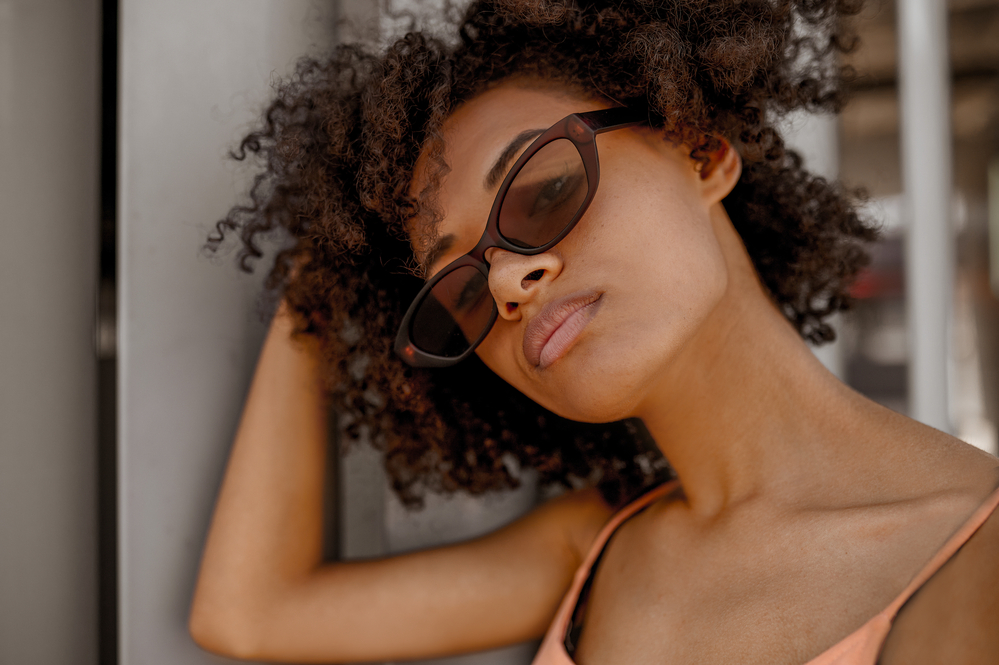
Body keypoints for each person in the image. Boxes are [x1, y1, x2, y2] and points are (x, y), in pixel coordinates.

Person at [189, 0, 999, 663]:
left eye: (542, 192)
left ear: (700, 151)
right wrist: (327, 270)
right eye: (455, 288)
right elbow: (247, 613)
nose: (505, 281)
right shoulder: (592, 545)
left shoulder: (974, 558)